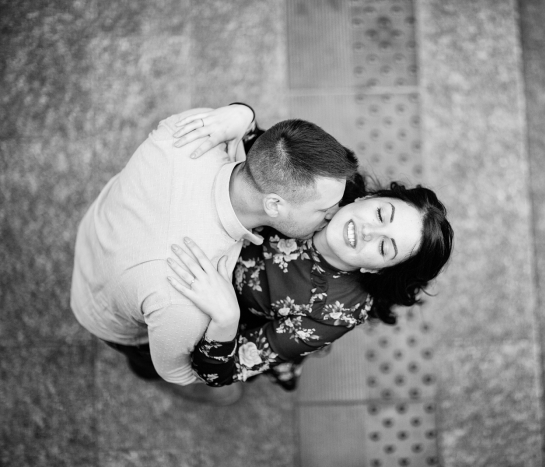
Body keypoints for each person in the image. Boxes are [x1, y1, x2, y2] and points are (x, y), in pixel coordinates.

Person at [70, 104, 358, 396]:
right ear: (273, 205)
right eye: (324, 209)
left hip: (97, 230)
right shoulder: (182, 302)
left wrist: (242, 112)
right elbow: (178, 372)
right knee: (146, 361)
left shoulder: (192, 130)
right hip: (102, 311)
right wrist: (227, 321)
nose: (334, 215)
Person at [166, 174, 453, 392]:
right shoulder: (330, 182)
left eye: (384, 248)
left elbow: (217, 373)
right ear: (366, 199)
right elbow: (267, 148)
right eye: (381, 214)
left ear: (377, 270)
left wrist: (225, 320)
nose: (369, 231)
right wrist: (241, 115)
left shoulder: (336, 314)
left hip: (235, 319)